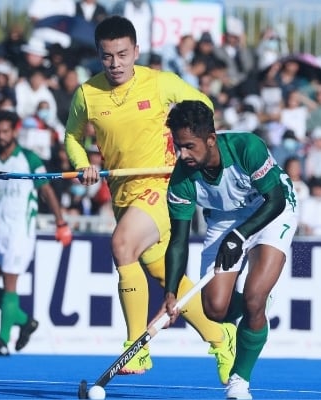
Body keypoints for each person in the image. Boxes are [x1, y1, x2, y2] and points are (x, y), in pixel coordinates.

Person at [63, 16, 236, 382]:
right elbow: (72, 138)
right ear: (98, 55)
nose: (115, 64)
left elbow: (203, 107)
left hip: (162, 187)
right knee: (160, 271)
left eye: (123, 54)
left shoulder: (159, 83)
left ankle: (136, 348)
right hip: (123, 194)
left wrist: (184, 141)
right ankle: (222, 337)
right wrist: (83, 166)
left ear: (136, 51)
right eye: (107, 56)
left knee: (122, 244)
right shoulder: (87, 94)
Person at [153, 100, 298, 399]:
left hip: (269, 210)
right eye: (179, 146)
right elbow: (178, 240)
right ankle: (248, 311)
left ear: (210, 139)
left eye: (189, 146)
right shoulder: (181, 179)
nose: (183, 154)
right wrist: (170, 293)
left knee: (256, 297)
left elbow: (275, 201)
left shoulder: (247, 147)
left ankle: (239, 381)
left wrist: (240, 235)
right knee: (215, 309)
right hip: (223, 219)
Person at [0, 110, 72, 356]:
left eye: (5, 131)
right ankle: (25, 321)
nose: (1, 136)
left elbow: (46, 190)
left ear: (14, 132)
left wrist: (60, 222)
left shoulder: (29, 159)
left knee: (10, 286)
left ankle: (2, 341)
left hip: (19, 232)